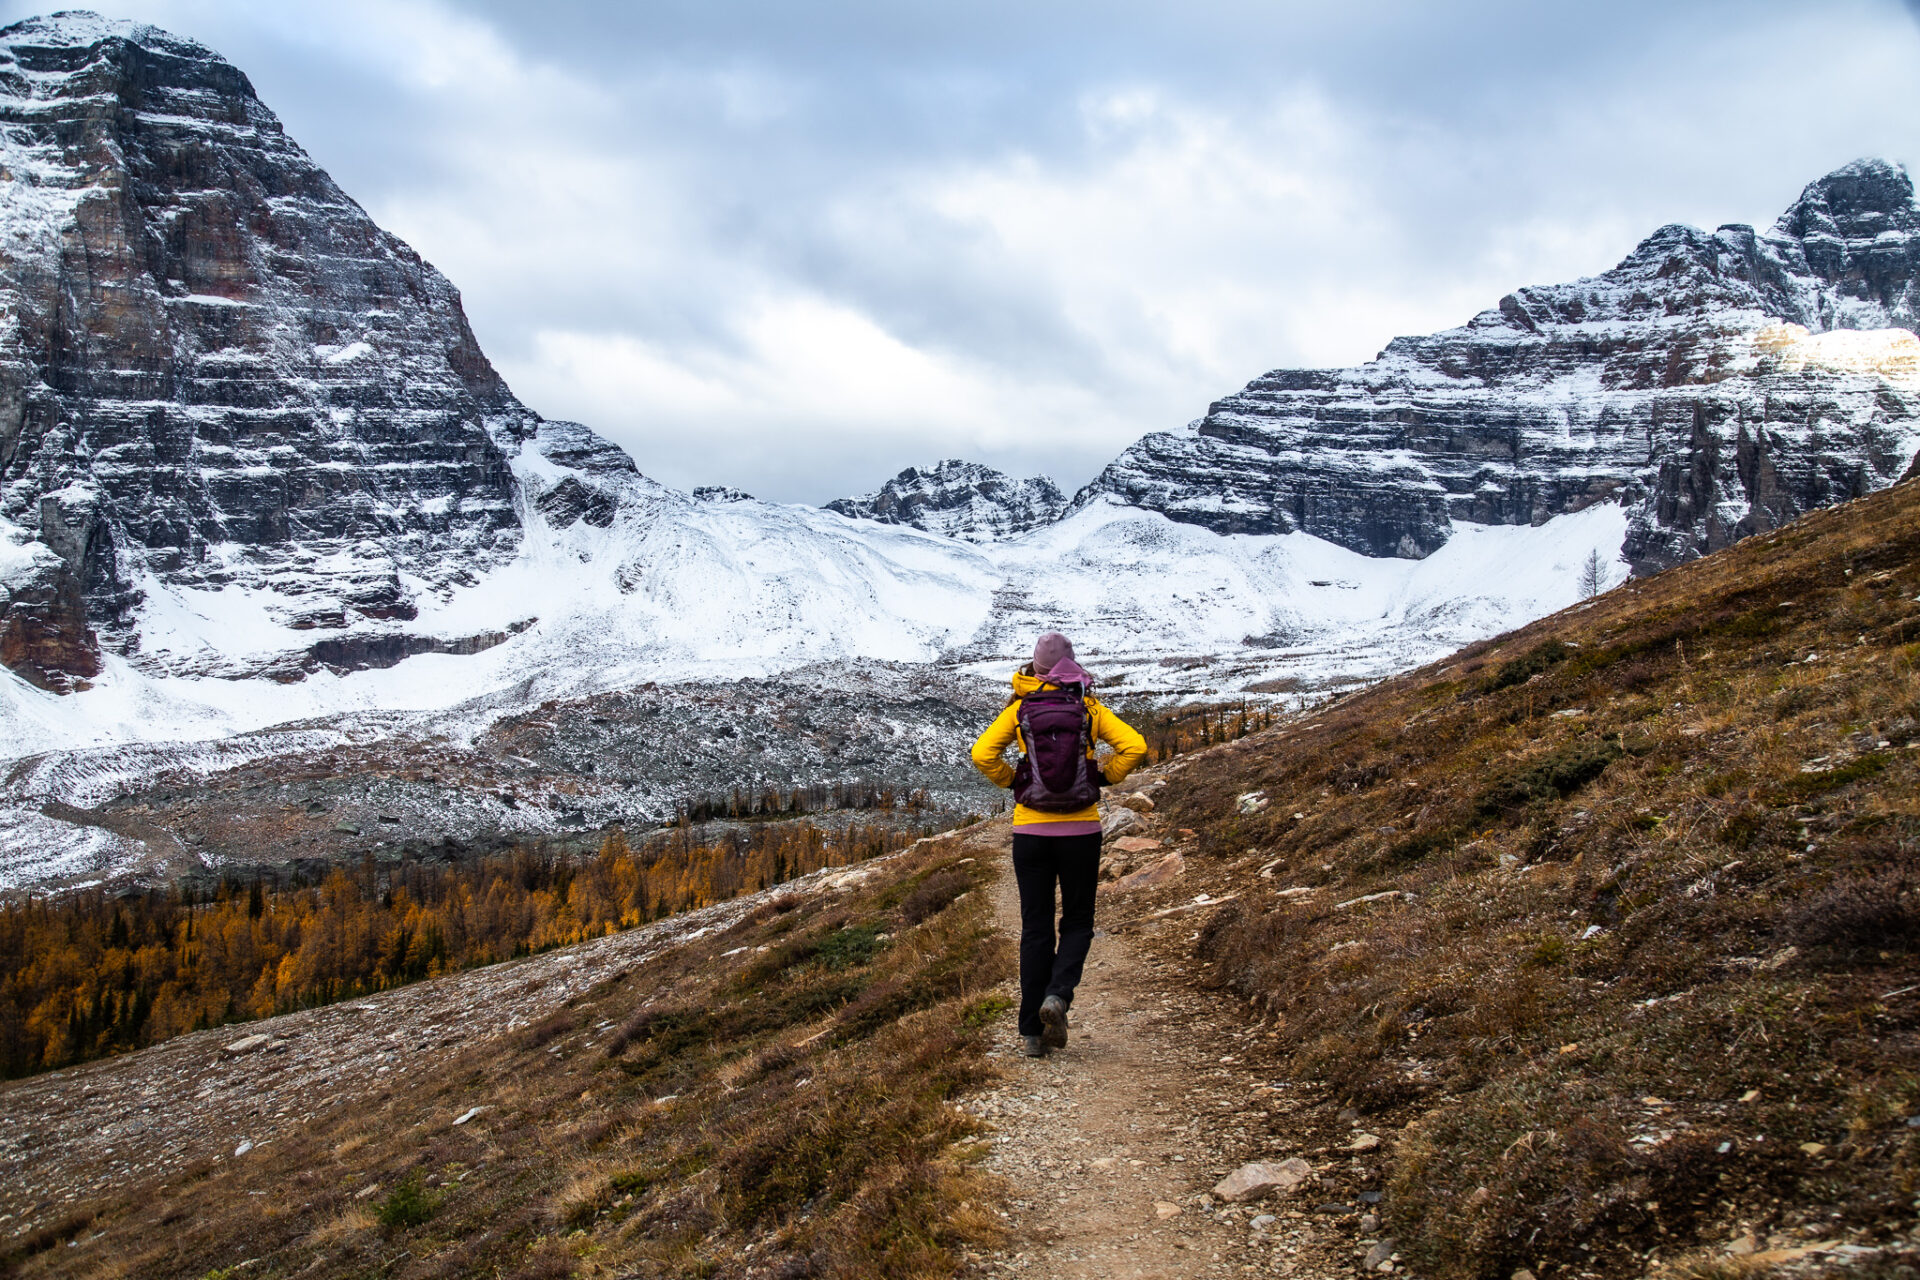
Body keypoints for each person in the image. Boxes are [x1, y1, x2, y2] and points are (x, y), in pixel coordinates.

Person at [970, 631, 1148, 1058]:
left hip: (1030, 832)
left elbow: (981, 754)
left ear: (1034, 667)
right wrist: (1104, 777)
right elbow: (1135, 746)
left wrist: (1015, 782)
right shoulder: (1087, 706)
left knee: (1035, 928)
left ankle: (1032, 1033)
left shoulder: (1019, 708)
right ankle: (1059, 996)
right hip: (1081, 832)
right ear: (1071, 665)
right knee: (1078, 921)